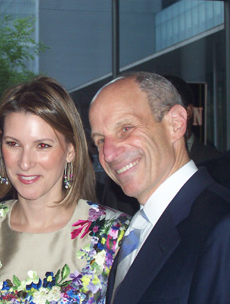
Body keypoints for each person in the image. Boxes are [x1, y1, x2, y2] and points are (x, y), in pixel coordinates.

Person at [0, 76, 130, 303]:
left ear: (71, 150)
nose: (25, 162)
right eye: (13, 144)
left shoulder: (114, 233)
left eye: (42, 145)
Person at [89, 71, 230, 304]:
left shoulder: (221, 227)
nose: (109, 154)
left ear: (176, 124)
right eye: (100, 140)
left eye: (126, 128)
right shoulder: (138, 225)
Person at [163, 75, 222, 164]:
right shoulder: (145, 158)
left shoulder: (216, 161)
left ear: (188, 112)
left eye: (166, 109)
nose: (158, 117)